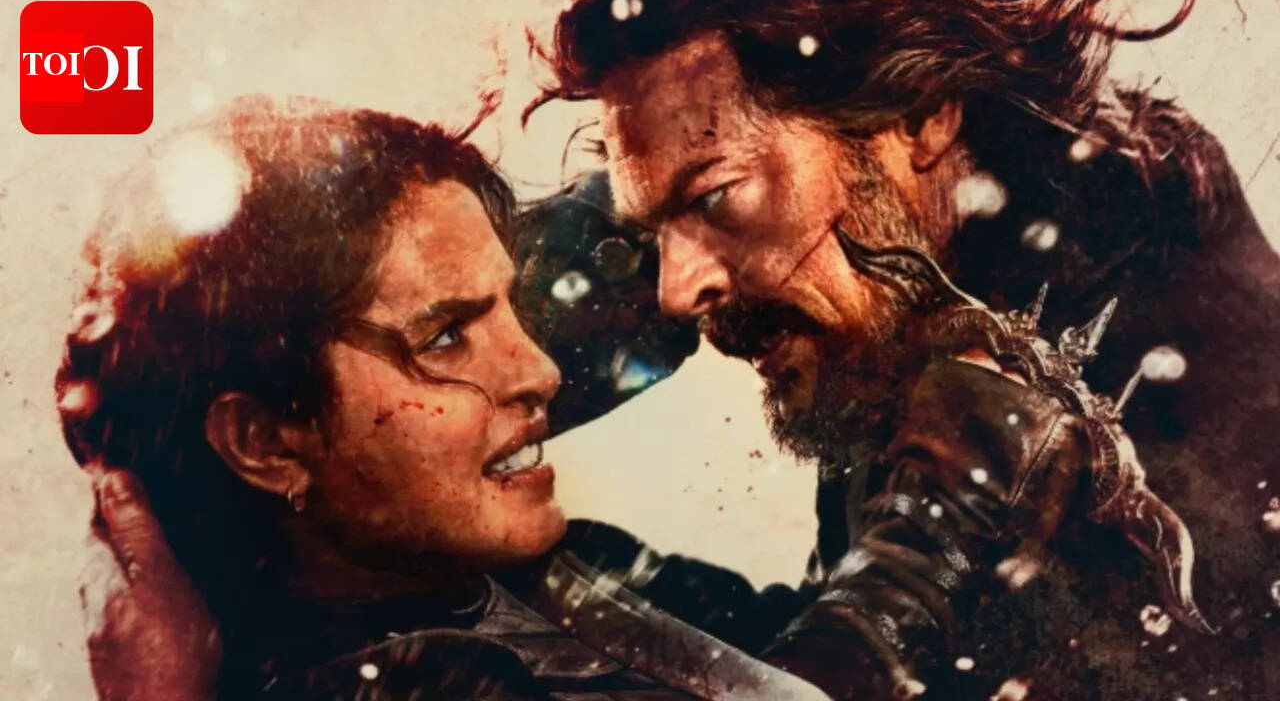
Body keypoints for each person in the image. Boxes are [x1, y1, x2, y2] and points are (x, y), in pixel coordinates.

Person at [66, 95, 1011, 701]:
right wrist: (960, 481)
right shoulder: (425, 682)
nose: (540, 371)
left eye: (511, 310)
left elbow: (792, 655)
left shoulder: (512, 574)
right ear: (266, 442)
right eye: (447, 337)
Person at [524, 0, 1280, 697]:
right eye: (655, 234)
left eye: (714, 196)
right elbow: (828, 630)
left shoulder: (1155, 340)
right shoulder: (901, 301)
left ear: (916, 117)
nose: (675, 291)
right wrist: (528, 567)